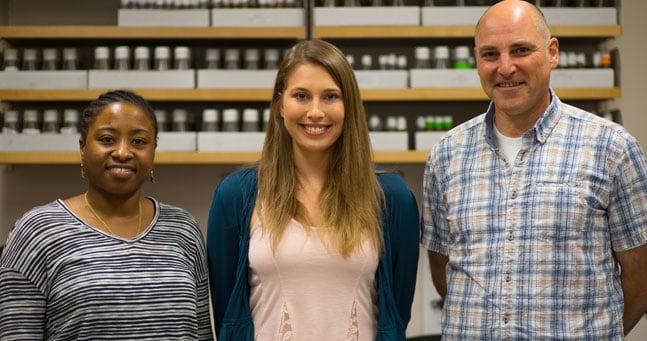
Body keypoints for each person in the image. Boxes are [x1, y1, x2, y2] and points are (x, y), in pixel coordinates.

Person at [421, 1, 647, 339]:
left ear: (552, 52)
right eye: (490, 54)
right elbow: (443, 269)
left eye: (521, 50)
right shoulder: (446, 155)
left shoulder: (611, 147)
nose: (505, 67)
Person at [206, 39, 419, 340]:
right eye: (301, 96)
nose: (316, 112)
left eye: (331, 96)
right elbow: (229, 312)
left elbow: (396, 313)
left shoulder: (392, 198)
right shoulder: (235, 195)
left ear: (350, 107)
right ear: (280, 105)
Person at [0, 90, 212, 340]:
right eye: (107, 139)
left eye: (139, 142)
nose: (123, 152)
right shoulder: (38, 230)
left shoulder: (183, 229)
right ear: (82, 147)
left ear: (153, 152)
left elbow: (202, 334)